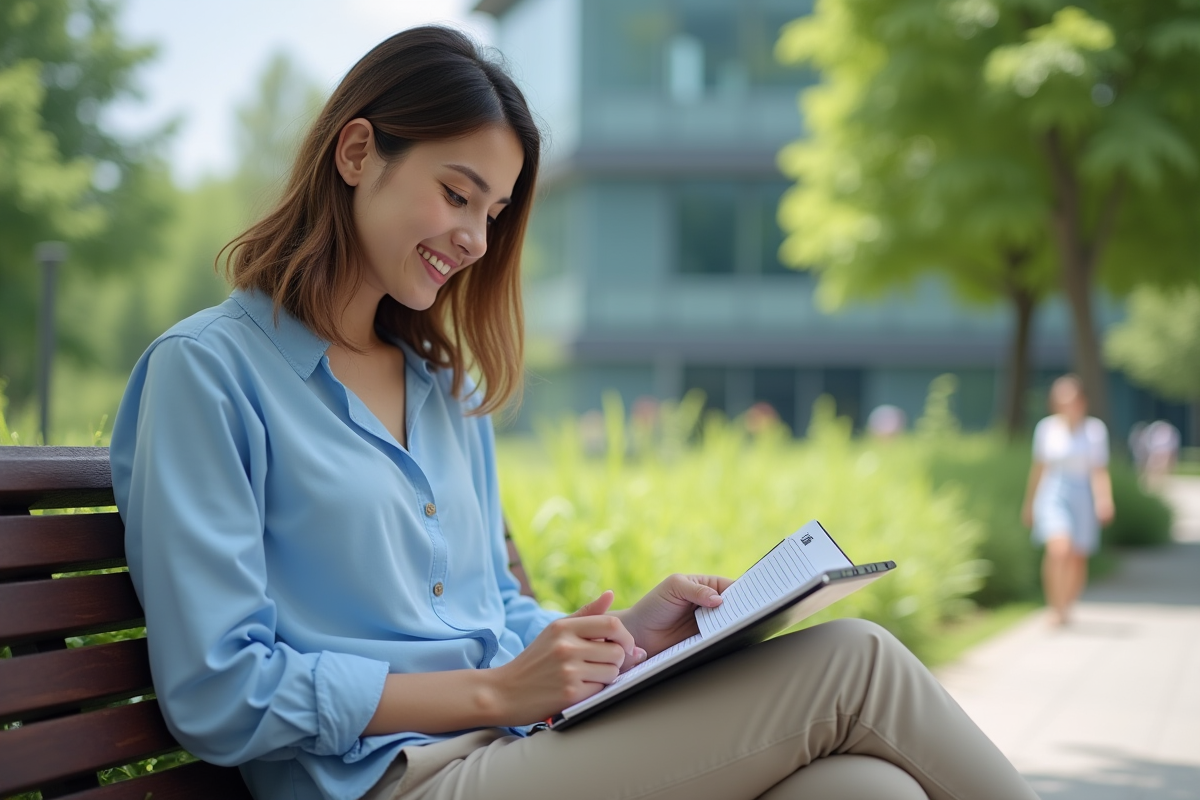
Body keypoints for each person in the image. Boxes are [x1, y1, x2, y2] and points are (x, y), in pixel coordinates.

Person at [109, 27, 1039, 800]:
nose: (474, 239)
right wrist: (488, 694)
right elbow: (219, 692)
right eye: (457, 193)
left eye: (497, 211)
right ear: (359, 153)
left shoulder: (441, 391)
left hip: (508, 755)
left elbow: (490, 610)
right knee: (855, 662)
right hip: (384, 785)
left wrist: (629, 639)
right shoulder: (208, 375)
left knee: (865, 792)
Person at [1021, 375, 1114, 626]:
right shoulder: (1046, 428)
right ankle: (1055, 607)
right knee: (1059, 548)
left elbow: (1098, 470)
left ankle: (1068, 604)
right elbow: (1039, 468)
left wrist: (1104, 499)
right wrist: (1028, 503)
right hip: (1053, 491)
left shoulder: (1094, 430)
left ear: (1081, 401)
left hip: (1082, 492)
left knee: (1077, 555)